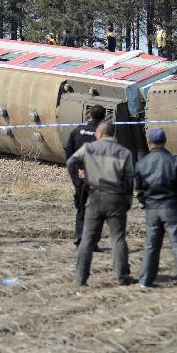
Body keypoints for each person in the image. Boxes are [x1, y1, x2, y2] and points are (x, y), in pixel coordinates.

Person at [67, 122, 135, 287]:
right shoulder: (124, 153)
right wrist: (127, 200)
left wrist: (79, 181)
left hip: (95, 196)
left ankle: (80, 278)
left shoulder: (89, 148)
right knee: (118, 239)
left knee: (88, 239)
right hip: (116, 198)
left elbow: (71, 162)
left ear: (100, 133)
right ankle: (122, 277)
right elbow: (129, 180)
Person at [135, 127, 177, 287]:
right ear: (165, 141)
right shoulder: (175, 161)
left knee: (151, 245)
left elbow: (139, 189)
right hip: (172, 207)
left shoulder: (142, 163)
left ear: (149, 143)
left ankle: (146, 279)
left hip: (152, 209)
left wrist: (145, 203)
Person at [64, 104, 106, 248]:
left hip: (79, 177)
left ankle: (81, 239)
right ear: (104, 117)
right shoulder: (101, 134)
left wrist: (76, 178)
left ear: (89, 115)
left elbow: (69, 154)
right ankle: (92, 243)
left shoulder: (77, 131)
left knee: (82, 209)